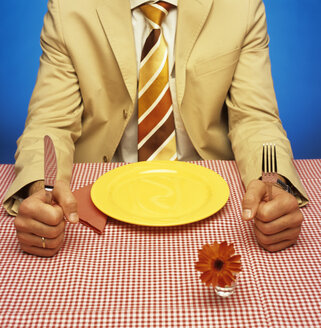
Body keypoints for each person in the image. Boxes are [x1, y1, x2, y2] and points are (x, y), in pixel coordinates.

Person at [3, 0, 308, 257]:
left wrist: (275, 184)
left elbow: (255, 118)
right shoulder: (69, 8)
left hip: (214, 203)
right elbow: (50, 122)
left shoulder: (240, 6)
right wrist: (40, 186)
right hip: (95, 207)